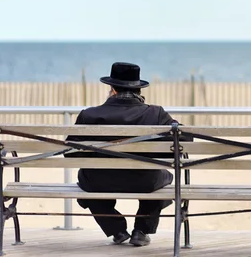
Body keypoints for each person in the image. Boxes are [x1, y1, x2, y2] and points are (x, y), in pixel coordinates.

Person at [65, 62, 176, 247]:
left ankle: (116, 229)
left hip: (99, 181)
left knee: (86, 180)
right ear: (138, 89)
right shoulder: (156, 113)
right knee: (165, 177)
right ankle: (141, 230)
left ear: (112, 89)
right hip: (144, 181)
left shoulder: (89, 115)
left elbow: (71, 153)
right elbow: (182, 142)